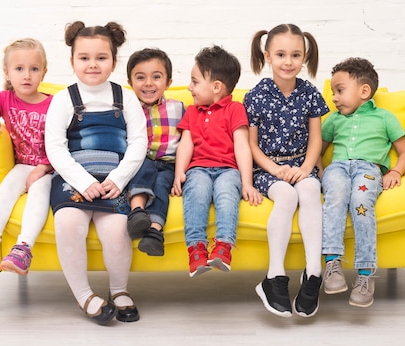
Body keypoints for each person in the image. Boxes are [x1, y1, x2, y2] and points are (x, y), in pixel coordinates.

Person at [45, 21, 148, 325]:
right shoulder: (64, 99)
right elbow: (55, 147)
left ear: (114, 62)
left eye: (101, 58)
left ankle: (119, 290)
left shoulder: (125, 96)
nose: (93, 65)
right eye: (84, 58)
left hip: (114, 180)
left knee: (117, 231)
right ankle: (83, 294)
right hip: (73, 178)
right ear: (72, 61)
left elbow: (138, 142)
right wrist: (83, 181)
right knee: (68, 223)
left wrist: (117, 179)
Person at [244, 24, 329, 318]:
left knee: (310, 190)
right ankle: (274, 276)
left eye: (295, 55)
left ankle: (314, 272)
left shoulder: (310, 94)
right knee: (286, 197)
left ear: (304, 57)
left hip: (302, 164)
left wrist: (306, 168)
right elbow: (251, 145)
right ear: (268, 56)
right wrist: (275, 170)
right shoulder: (256, 95)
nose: (288, 61)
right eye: (281, 54)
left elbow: (316, 138)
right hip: (269, 168)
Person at [320, 57, 405, 308]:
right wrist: (318, 171)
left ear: (364, 91)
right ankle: (332, 264)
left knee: (361, 202)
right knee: (336, 195)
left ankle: (365, 275)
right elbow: (317, 150)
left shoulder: (384, 117)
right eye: (332, 92)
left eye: (339, 91)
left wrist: (395, 171)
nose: (334, 98)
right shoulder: (334, 119)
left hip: (369, 169)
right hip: (337, 168)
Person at [171, 45, 263, 277]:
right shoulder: (192, 111)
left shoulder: (235, 109)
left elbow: (242, 146)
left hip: (228, 170)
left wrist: (247, 182)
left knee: (225, 195)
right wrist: (179, 172)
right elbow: (186, 143)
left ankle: (223, 247)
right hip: (198, 168)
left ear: (216, 87)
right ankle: (196, 249)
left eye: (194, 82)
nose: (189, 87)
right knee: (197, 193)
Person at [0, 38, 53, 279]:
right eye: (19, 69)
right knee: (5, 190)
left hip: (50, 169)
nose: (27, 75)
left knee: (39, 191)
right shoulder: (3, 99)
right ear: (7, 72)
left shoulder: (54, 104)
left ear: (43, 73)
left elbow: (66, 143)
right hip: (22, 165)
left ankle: (23, 248)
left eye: (34, 69)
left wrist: (45, 167)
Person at [125, 48, 185, 256]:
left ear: (168, 82)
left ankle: (154, 232)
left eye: (156, 77)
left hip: (169, 163)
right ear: (130, 82)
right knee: (143, 170)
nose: (148, 83)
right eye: (140, 77)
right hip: (140, 161)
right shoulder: (127, 110)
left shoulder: (179, 108)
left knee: (161, 185)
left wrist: (182, 171)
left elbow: (188, 140)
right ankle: (137, 212)